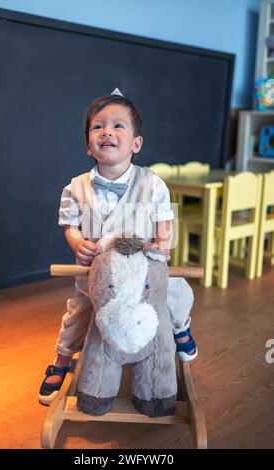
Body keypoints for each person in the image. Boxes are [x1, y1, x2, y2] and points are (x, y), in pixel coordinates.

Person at [39, 91, 198, 405]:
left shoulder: (153, 184)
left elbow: (164, 221)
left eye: (117, 126)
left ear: (136, 144)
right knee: (79, 312)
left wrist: (163, 246)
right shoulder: (75, 187)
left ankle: (180, 328)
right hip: (99, 275)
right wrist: (77, 243)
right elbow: (70, 226)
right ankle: (62, 357)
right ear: (88, 144)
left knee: (175, 291)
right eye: (98, 127)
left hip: (142, 272)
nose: (107, 132)